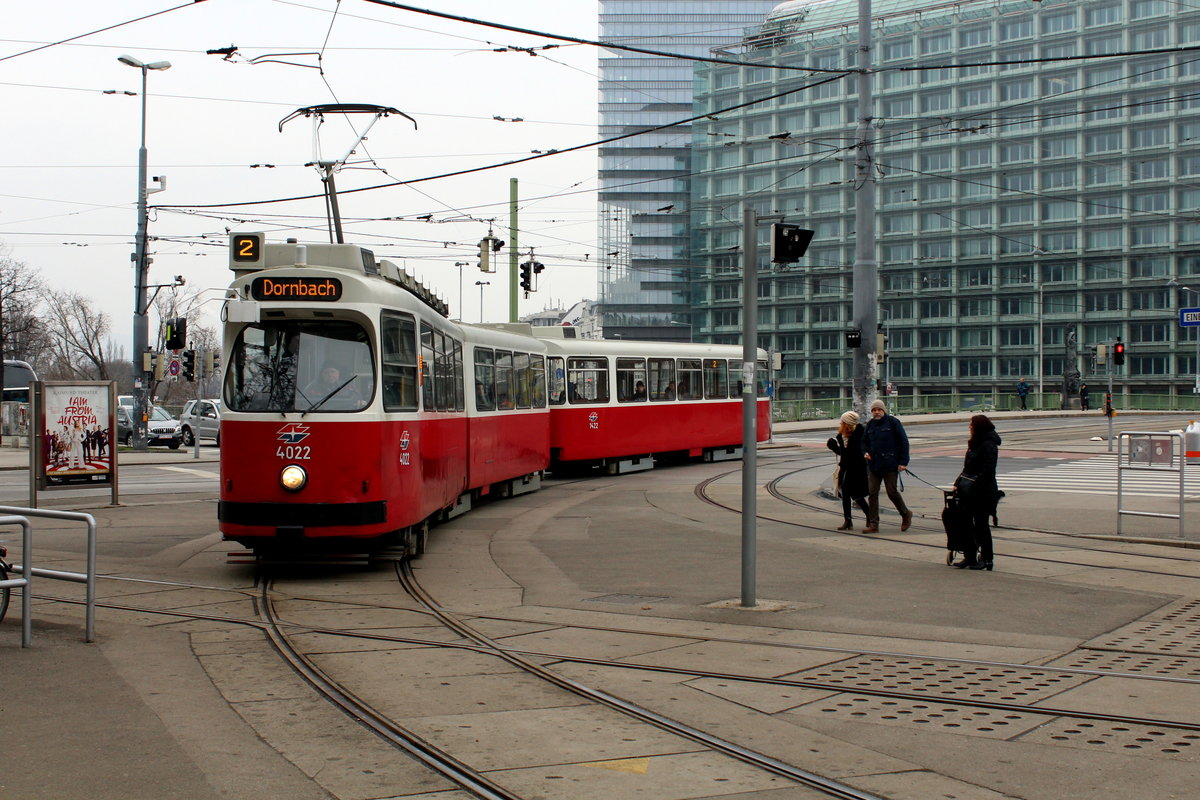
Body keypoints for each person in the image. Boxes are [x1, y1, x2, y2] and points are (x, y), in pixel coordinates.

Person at [953, 414, 1001, 570]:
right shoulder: (975, 442)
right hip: (969, 490)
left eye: (971, 424)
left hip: (983, 491)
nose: (969, 427)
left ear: (978, 427)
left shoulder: (989, 445)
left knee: (981, 525)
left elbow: (988, 471)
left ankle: (987, 559)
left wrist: (973, 486)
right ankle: (970, 556)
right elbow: (967, 467)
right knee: (965, 523)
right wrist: (958, 483)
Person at [861, 399, 912, 533]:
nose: (876, 412)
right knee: (872, 493)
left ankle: (906, 514)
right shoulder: (870, 425)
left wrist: (903, 462)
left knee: (892, 492)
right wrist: (865, 452)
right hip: (874, 465)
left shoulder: (893, 422)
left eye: (879, 410)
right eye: (874, 410)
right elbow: (864, 442)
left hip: (890, 464)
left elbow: (904, 442)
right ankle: (873, 524)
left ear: (884, 410)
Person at [827, 410, 870, 531]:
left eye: (843, 421)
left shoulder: (859, 434)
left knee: (856, 494)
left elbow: (855, 453)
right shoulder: (842, 436)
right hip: (846, 469)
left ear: (848, 423)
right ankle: (848, 520)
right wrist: (834, 447)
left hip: (857, 469)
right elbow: (843, 454)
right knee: (845, 493)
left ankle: (869, 515)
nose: (840, 423)